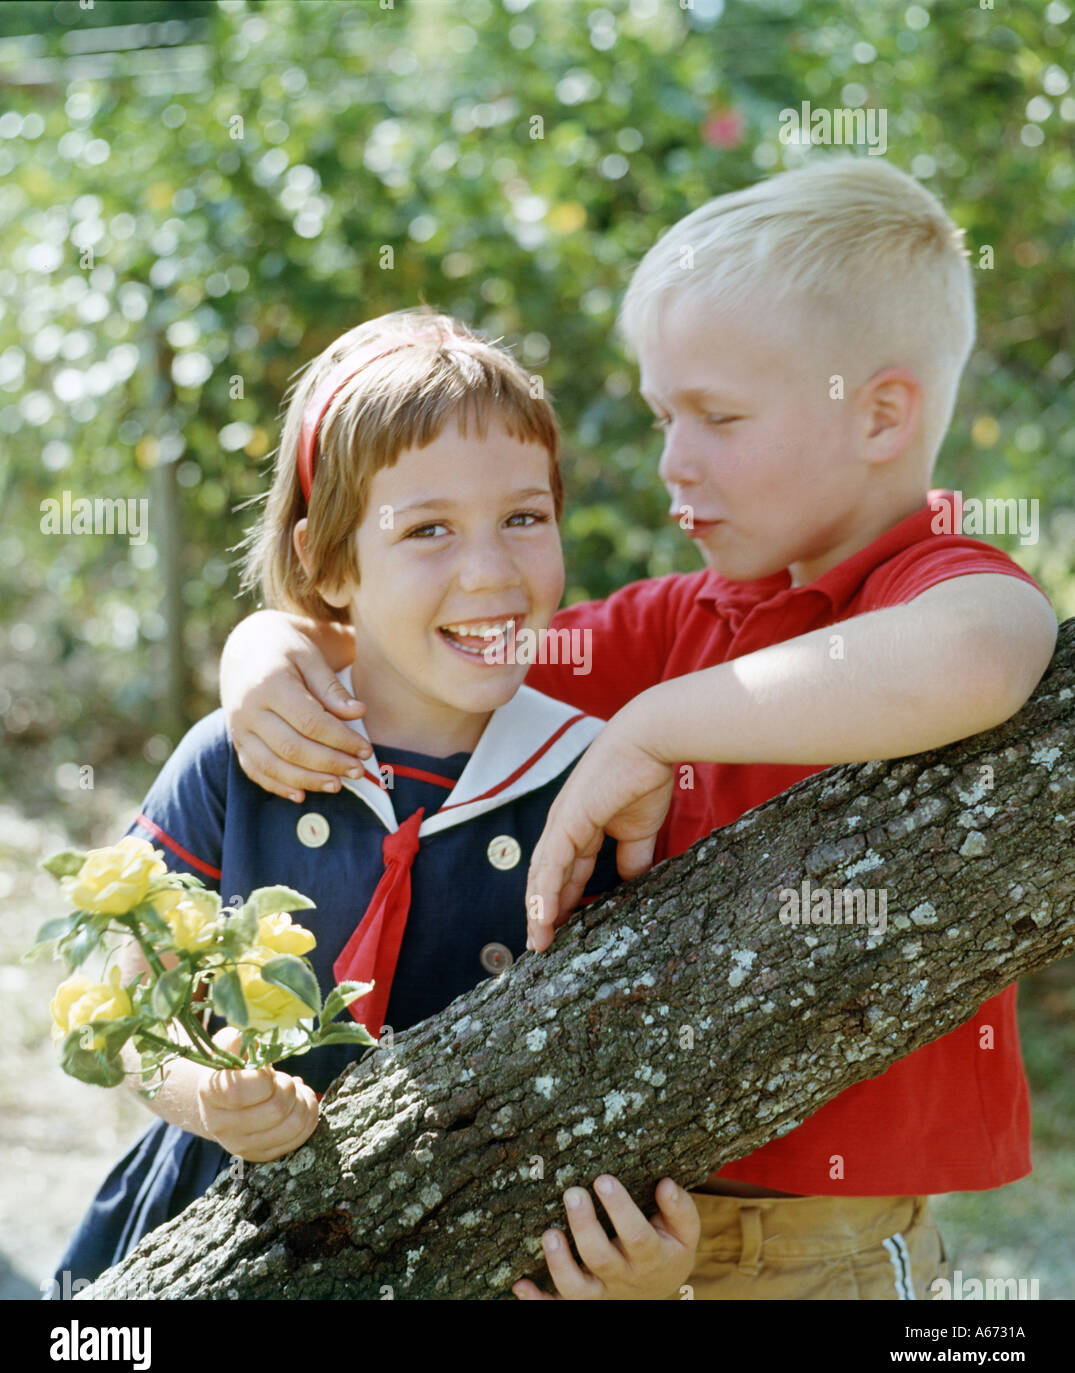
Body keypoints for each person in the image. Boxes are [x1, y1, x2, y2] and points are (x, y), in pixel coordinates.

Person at [218, 158, 1059, 1300]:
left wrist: (656, 725)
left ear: (879, 413)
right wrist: (266, 649)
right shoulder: (673, 618)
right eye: (667, 415)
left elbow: (981, 650)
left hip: (830, 1256)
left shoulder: (928, 588)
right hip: (600, 1244)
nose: (673, 460)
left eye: (717, 416)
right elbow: (438, 648)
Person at [50, 309, 700, 1301]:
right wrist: (207, 1096)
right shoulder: (237, 759)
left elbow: (637, 1075)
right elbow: (128, 1014)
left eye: (523, 518)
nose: (489, 570)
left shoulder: (588, 784)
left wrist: (655, 1269)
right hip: (211, 1227)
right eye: (427, 528)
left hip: (469, 1256)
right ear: (329, 563)